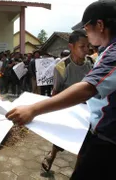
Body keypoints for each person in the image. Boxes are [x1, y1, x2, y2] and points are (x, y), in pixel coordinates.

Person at [6, 0, 116, 180]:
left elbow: (88, 88)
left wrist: (33, 109)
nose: (87, 37)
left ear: (99, 25)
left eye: (87, 29)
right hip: (104, 132)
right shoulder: (110, 51)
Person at [41, 30, 94, 172]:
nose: (86, 50)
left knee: (83, 147)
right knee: (61, 139)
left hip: (87, 110)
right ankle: (52, 155)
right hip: (68, 109)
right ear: (71, 47)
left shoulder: (92, 63)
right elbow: (56, 92)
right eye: (82, 46)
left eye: (88, 46)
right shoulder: (62, 66)